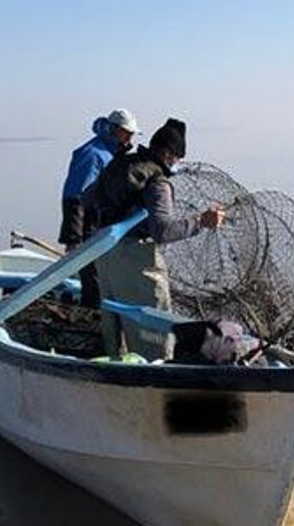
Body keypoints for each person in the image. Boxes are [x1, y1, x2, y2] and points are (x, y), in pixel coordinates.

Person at [83, 118, 225, 360]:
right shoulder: (158, 183)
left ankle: (115, 374)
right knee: (155, 334)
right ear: (169, 154)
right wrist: (202, 221)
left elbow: (87, 198)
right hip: (137, 261)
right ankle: (156, 380)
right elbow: (162, 230)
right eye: (177, 158)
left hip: (104, 253)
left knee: (114, 326)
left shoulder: (122, 163)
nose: (177, 164)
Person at [59, 109, 139, 307]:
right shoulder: (92, 154)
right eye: (127, 133)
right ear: (114, 130)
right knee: (95, 280)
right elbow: (73, 196)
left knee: (107, 278)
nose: (131, 138)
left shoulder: (114, 153)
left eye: (132, 134)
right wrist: (73, 238)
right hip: (89, 228)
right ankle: (93, 319)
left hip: (106, 227)